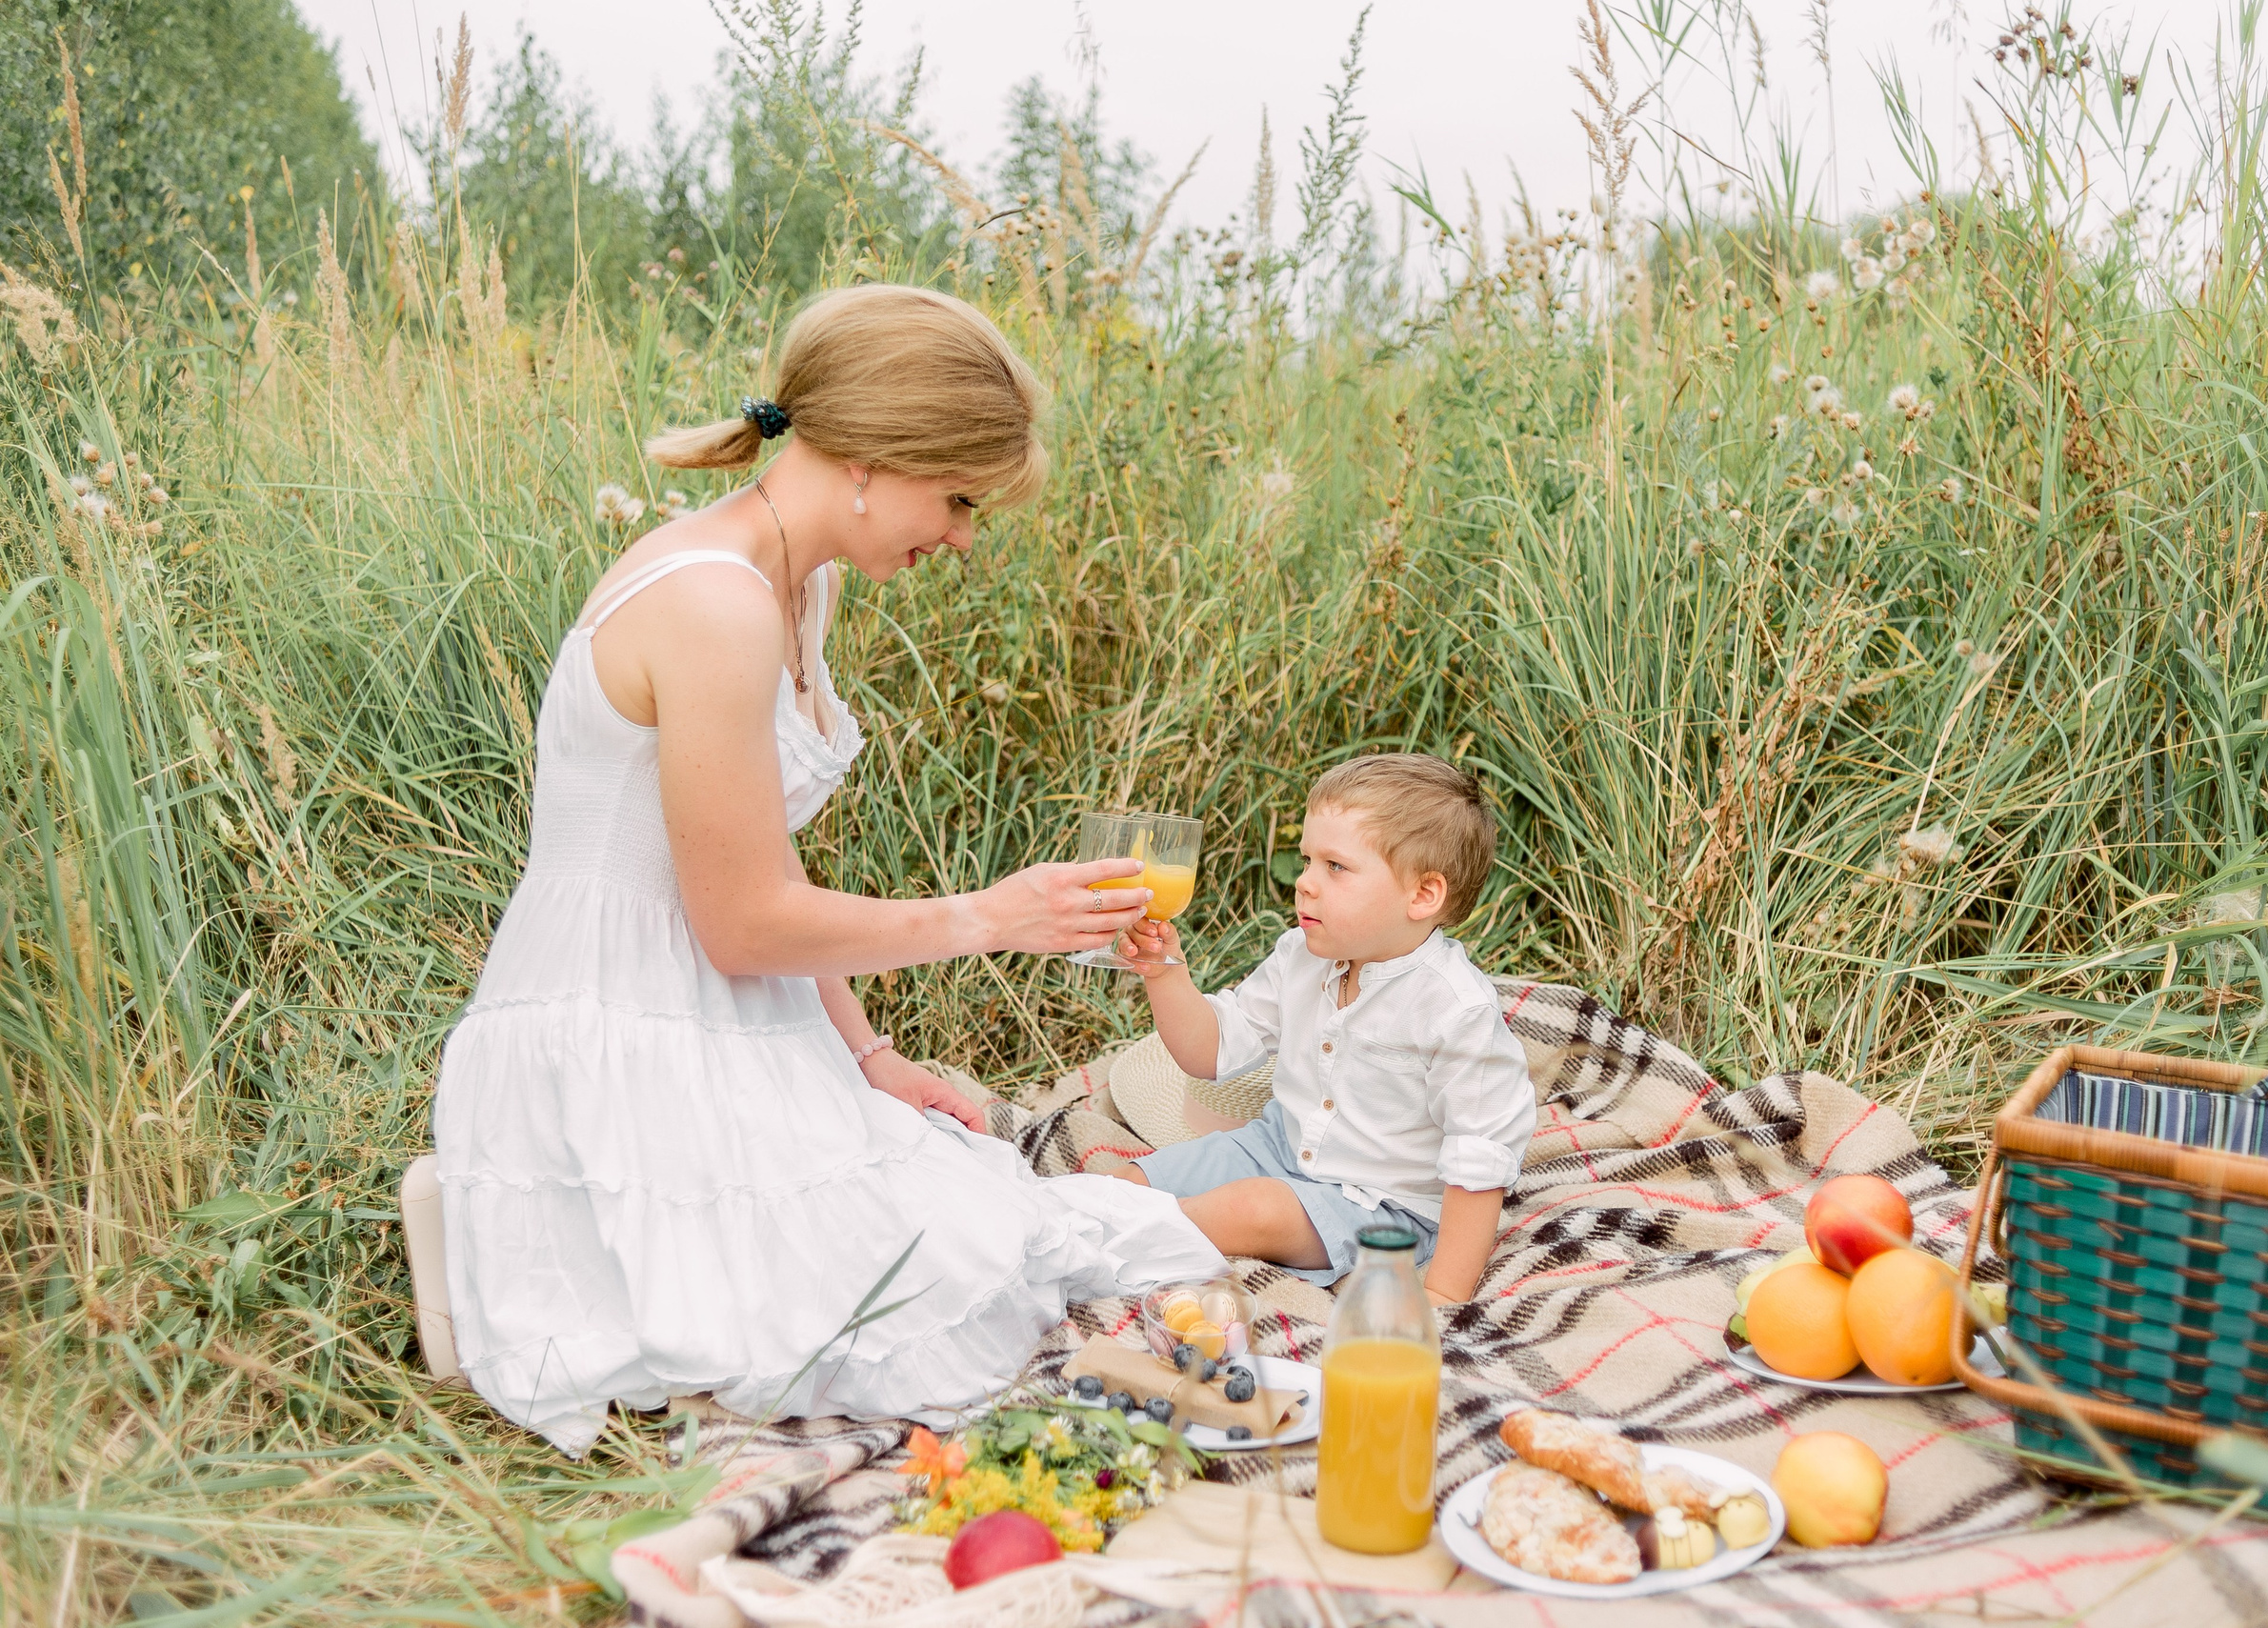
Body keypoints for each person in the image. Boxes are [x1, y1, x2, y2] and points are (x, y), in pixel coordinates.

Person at [432, 284, 1224, 1456]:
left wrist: (869, 1055)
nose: (960, 534)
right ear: (867, 457)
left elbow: (760, 858)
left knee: (980, 1225)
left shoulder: (797, 580)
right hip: (614, 1021)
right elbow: (745, 923)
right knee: (906, 1304)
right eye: (956, 497)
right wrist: (987, 915)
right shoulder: (713, 604)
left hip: (719, 1000)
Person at [1112, 754, 1535, 1304]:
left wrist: (1444, 1297)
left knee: (1254, 1209)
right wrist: (1165, 974)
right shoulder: (1300, 957)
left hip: (1382, 1205)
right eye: (1307, 859)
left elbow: (1480, 1156)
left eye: (1335, 866)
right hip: (1274, 1147)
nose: (1305, 884)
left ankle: (1109, 1246)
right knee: (1125, 1184)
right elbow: (1209, 1052)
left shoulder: (1456, 1010)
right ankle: (1078, 1220)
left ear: (1423, 895)